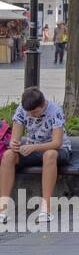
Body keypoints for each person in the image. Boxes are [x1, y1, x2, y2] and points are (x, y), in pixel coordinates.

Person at [0, 86, 70, 225]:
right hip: (32, 149)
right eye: (28, 113)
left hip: (58, 151)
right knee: (8, 155)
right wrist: (15, 145)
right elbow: (15, 138)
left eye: (34, 112)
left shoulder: (55, 110)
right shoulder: (22, 110)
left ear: (43, 105)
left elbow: (57, 143)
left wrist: (33, 147)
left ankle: (46, 210)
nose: (31, 115)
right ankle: (3, 210)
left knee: (49, 155)